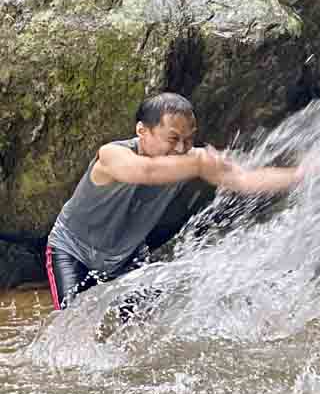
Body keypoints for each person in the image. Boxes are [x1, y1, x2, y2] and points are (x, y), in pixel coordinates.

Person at [45, 92, 303, 310]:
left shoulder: (192, 159)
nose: (181, 148)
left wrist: (301, 175)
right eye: (173, 139)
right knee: (71, 327)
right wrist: (199, 163)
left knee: (139, 332)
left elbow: (246, 180)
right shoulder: (112, 154)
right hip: (73, 251)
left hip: (127, 256)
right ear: (142, 131)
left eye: (189, 139)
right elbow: (145, 172)